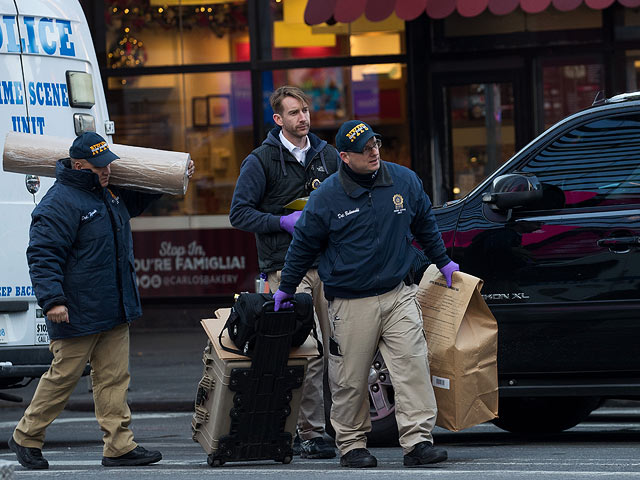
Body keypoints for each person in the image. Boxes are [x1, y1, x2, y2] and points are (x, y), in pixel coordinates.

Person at [273, 120, 460, 468]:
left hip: (397, 293)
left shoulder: (403, 180)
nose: (373, 152)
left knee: (413, 365)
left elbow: (425, 225)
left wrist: (444, 263)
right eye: (364, 149)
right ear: (344, 156)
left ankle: (418, 441)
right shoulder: (326, 196)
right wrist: (286, 288)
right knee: (349, 377)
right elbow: (303, 245)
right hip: (350, 300)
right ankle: (352, 444)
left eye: (375, 144)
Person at [8, 132, 195, 470]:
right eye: (98, 166)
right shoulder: (60, 202)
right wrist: (52, 301)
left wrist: (170, 175)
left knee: (114, 379)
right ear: (78, 165)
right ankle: (26, 436)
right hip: (77, 309)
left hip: (114, 305)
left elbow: (138, 200)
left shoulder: (107, 194)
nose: (106, 170)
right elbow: (43, 254)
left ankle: (119, 446)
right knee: (62, 377)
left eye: (108, 164)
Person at [229, 85, 340, 459]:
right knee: (306, 353)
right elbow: (239, 213)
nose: (303, 117)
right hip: (285, 268)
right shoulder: (260, 160)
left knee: (340, 349)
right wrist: (281, 220)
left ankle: (346, 429)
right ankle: (311, 432)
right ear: (278, 119)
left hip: (330, 265)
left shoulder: (327, 156)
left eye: (305, 110)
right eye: (294, 112)